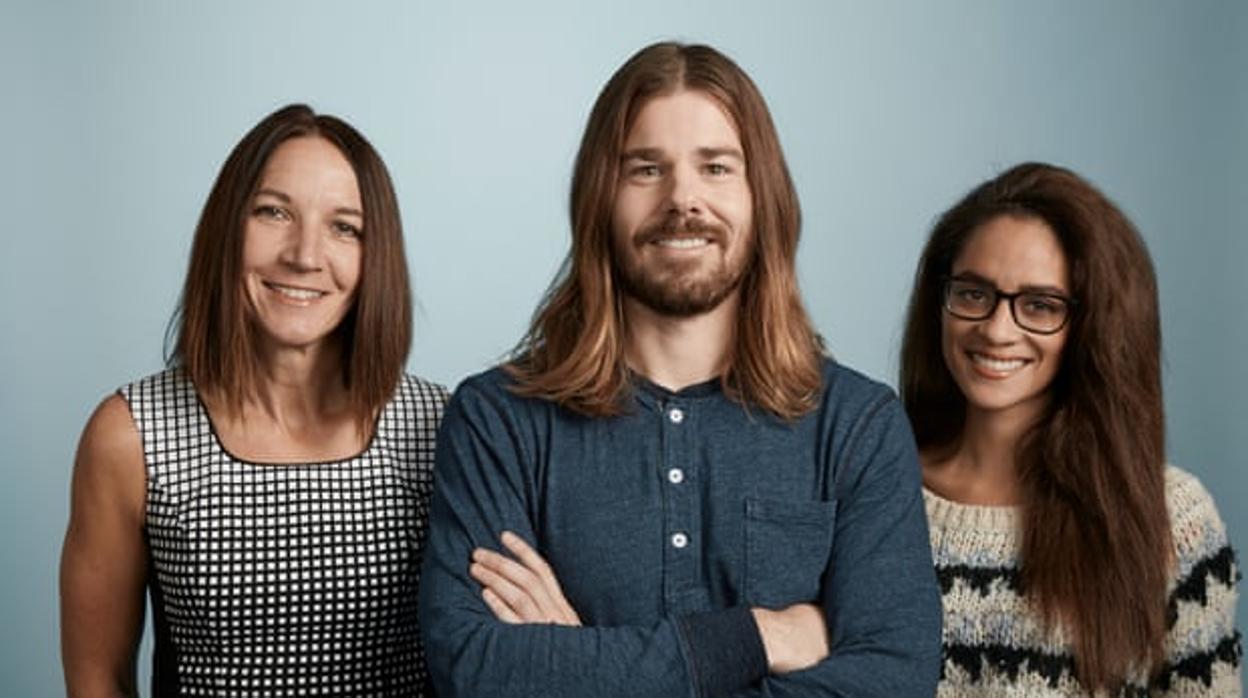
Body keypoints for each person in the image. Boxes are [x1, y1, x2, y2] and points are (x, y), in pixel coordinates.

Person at [418, 41, 942, 697]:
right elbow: (475, 669)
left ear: (764, 197)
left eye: (717, 167)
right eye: (645, 169)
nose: (682, 199)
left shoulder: (857, 426)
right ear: (598, 199)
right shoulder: (498, 421)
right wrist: (755, 636)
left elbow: (892, 678)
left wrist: (576, 664)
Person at [60, 104, 447, 697]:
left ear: (378, 257)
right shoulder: (131, 436)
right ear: (226, 227)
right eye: (273, 212)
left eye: (345, 227)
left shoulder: (442, 428)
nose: (303, 254)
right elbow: (97, 678)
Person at [899, 162, 1242, 695]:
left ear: (1096, 326)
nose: (995, 328)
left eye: (1040, 305)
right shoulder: (874, 492)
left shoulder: (1172, 519)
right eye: (972, 293)